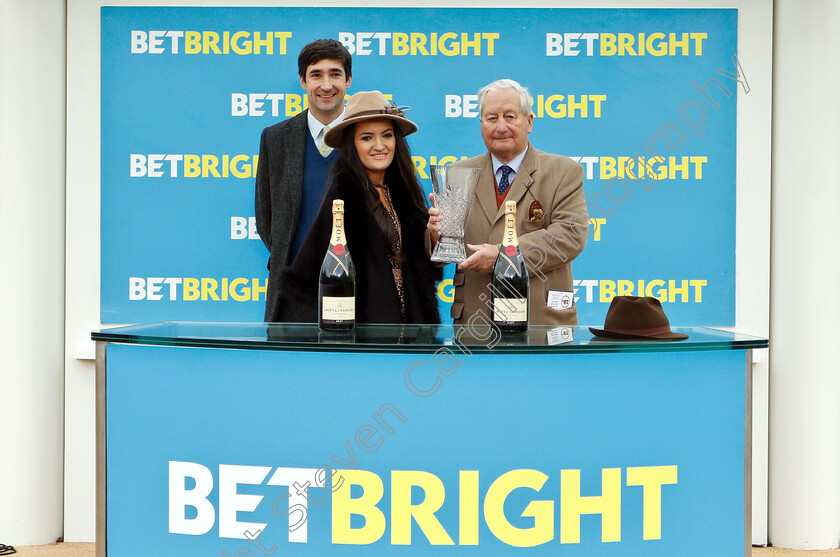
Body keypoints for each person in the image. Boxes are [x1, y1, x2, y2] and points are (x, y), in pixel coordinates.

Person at [427, 78, 588, 325]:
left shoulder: (563, 171)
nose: (500, 127)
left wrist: (504, 256)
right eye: (491, 118)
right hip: (475, 323)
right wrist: (436, 235)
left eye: (510, 116)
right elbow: (442, 253)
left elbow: (570, 235)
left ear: (529, 121)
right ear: (481, 123)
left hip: (539, 323)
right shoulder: (458, 173)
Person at [272, 91, 441, 324]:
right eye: (367, 138)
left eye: (387, 135)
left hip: (413, 330)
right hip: (367, 334)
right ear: (352, 143)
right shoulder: (342, 197)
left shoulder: (403, 191)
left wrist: (432, 237)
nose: (379, 146)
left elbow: (424, 269)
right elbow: (313, 274)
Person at [255, 39, 353, 322]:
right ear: (302, 81)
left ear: (348, 80)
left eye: (335, 74)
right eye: (316, 75)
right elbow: (266, 218)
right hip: (292, 296)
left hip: (359, 292)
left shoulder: (370, 136)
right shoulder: (275, 138)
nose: (326, 85)